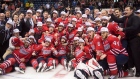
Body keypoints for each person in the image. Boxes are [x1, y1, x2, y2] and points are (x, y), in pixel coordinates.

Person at [110, 5, 140, 77]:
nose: (125, 11)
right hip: (128, 39)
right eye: (125, 10)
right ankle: (130, 68)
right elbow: (118, 20)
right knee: (130, 55)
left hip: (135, 39)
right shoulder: (125, 18)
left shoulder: (135, 17)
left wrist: (123, 29)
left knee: (136, 55)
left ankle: (139, 71)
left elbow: (135, 27)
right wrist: (111, 14)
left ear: (131, 10)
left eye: (127, 10)